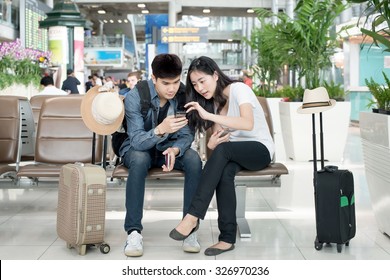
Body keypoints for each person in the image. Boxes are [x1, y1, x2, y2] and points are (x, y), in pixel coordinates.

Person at [169, 56, 275, 256]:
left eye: (203, 81)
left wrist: (207, 116)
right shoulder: (214, 104)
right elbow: (221, 139)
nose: (199, 88)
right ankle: (226, 238)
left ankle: (192, 216)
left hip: (260, 150)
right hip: (235, 153)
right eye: (194, 84)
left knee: (224, 153)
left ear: (215, 75)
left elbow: (247, 124)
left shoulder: (239, 90)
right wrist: (211, 143)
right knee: (224, 171)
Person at [120, 54, 202, 257]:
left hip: (168, 150)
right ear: (153, 78)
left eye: (175, 82)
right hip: (138, 149)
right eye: (166, 83)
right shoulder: (135, 96)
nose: (172, 89)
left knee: (193, 159)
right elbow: (137, 141)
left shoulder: (184, 95)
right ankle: (133, 232)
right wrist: (160, 130)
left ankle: (189, 227)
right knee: (139, 159)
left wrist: (176, 149)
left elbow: (186, 134)